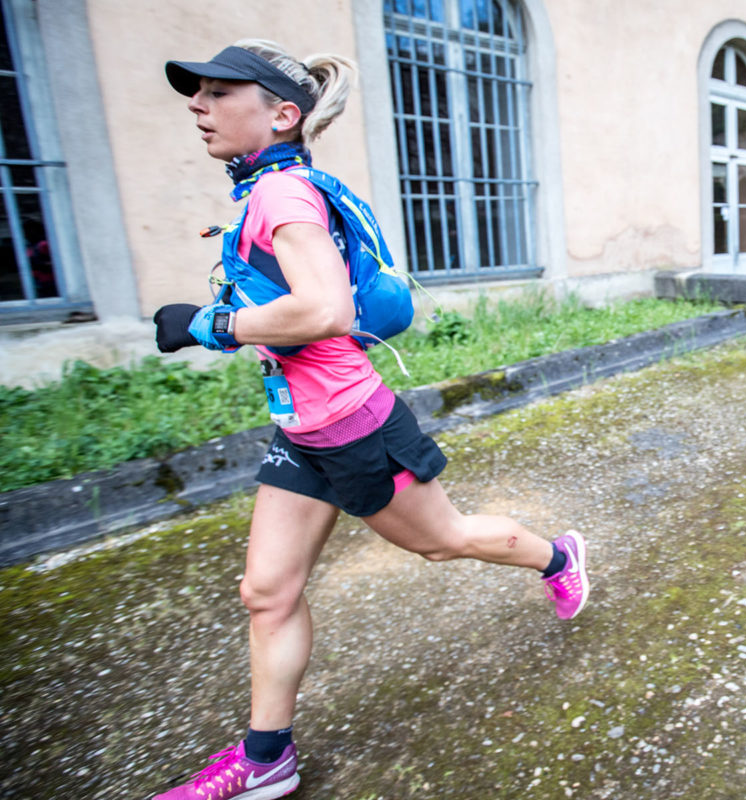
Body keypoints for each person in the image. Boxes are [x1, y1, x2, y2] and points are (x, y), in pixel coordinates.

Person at [150, 40, 589, 800]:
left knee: (445, 543)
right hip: (303, 428)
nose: (199, 104)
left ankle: (558, 558)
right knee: (267, 592)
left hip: (352, 422)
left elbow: (325, 308)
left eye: (220, 93)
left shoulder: (283, 195)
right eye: (198, 93)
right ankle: (266, 759)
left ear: (282, 115)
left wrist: (208, 326)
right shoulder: (268, 192)